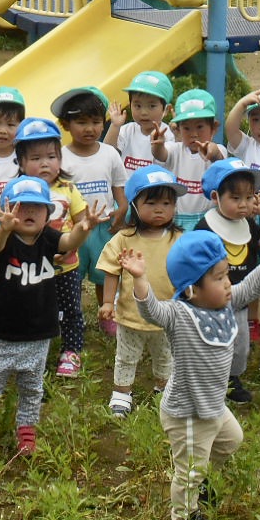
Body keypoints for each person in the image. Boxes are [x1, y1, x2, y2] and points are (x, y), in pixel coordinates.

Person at [121, 225, 260, 520]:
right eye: (218, 278)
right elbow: (152, 311)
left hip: (213, 405)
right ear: (191, 289)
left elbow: (254, 285)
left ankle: (201, 483)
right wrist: (140, 279)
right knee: (188, 471)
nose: (228, 284)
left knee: (232, 441)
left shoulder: (227, 302)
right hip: (188, 412)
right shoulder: (180, 315)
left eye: (227, 275)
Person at [0, 176, 98, 455]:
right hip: (2, 330)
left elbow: (68, 240)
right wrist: (4, 228)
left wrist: (84, 228)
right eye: (20, 206)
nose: (28, 212)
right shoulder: (4, 238)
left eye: (37, 208)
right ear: (7, 209)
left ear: (48, 214)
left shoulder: (48, 237)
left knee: (32, 386)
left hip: (39, 330)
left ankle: (26, 430)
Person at [98, 166, 188, 415]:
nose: (160, 209)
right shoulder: (124, 238)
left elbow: (190, 274)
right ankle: (121, 392)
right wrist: (107, 302)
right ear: (135, 205)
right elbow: (111, 270)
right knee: (126, 356)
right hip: (131, 314)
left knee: (166, 356)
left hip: (168, 315)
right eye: (152, 203)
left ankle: (164, 389)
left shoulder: (179, 238)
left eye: (167, 203)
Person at [13, 116, 90, 378]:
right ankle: (32, 350)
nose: (45, 163)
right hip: (32, 268)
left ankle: (71, 351)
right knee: (31, 308)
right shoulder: (18, 193)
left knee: (71, 309)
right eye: (35, 158)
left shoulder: (68, 189)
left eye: (51, 156)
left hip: (66, 265)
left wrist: (81, 231)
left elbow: (81, 222)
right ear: (21, 163)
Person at [53, 85, 127, 332]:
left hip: (104, 225)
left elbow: (118, 185)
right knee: (70, 274)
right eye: (81, 122)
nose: (90, 129)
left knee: (104, 273)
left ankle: (106, 312)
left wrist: (123, 207)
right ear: (66, 124)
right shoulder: (60, 157)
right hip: (74, 228)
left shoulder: (109, 154)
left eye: (96, 122)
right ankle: (71, 317)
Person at [199, 158, 260, 404]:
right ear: (217, 196)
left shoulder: (248, 223)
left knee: (240, 345)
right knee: (210, 341)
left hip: (240, 298)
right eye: (236, 198)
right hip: (211, 299)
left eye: (249, 197)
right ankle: (208, 379)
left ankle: (232, 378)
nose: (243, 205)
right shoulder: (206, 226)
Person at [157, 89, 223, 231]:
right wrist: (157, 144)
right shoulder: (174, 149)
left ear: (214, 128)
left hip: (208, 219)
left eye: (200, 127)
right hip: (176, 219)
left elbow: (219, 158)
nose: (194, 134)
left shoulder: (219, 149)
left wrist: (212, 152)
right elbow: (160, 154)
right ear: (178, 129)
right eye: (186, 128)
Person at [105, 70, 175, 174]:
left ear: (165, 109)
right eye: (137, 106)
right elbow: (108, 151)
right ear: (130, 105)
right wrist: (115, 126)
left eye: (152, 106)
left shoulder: (169, 135)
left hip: (155, 189)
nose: (143, 112)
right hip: (127, 189)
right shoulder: (127, 130)